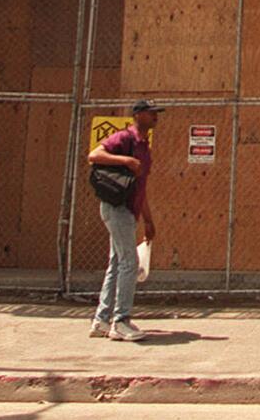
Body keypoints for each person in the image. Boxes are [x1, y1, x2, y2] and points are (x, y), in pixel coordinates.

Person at [88, 98, 160, 341]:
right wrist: (125, 160)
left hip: (128, 210)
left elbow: (142, 189)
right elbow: (94, 155)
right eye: (151, 113)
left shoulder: (144, 145)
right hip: (116, 208)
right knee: (129, 262)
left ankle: (101, 320)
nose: (155, 117)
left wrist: (148, 220)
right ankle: (121, 321)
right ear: (138, 115)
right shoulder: (125, 138)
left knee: (118, 262)